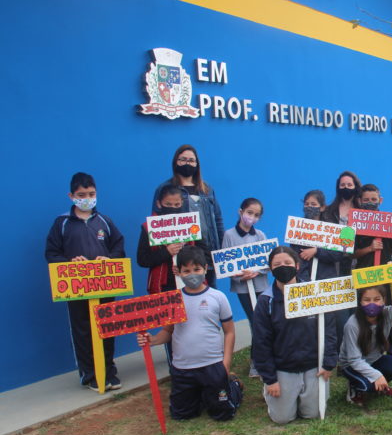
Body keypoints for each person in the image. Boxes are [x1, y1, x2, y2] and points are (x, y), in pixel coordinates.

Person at [137, 245, 243, 421]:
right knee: (181, 415)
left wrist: (226, 362)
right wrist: (152, 340)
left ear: (205, 269)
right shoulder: (174, 299)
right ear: (178, 271)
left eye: (196, 269)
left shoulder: (217, 297)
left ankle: (234, 385)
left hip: (213, 365)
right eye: (186, 271)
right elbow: (167, 331)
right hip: (182, 368)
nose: (192, 274)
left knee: (223, 414)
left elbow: (229, 331)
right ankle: (201, 394)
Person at [45, 172, 125, 391]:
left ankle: (109, 372)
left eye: (91, 194)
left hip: (104, 285)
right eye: (81, 194)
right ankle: (90, 374)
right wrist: (70, 263)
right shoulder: (62, 223)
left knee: (107, 328)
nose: (87, 198)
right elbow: (52, 253)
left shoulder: (104, 222)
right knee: (83, 331)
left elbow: (118, 246)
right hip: (77, 288)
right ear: (71, 196)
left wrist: (108, 258)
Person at [252, 246, 337, 425]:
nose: (283, 266)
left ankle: (303, 394)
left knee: (313, 414)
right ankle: (274, 393)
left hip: (312, 366)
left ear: (297, 266)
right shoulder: (265, 301)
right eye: (277, 264)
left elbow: (328, 329)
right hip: (283, 368)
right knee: (282, 419)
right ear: (271, 269)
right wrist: (270, 379)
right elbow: (261, 342)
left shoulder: (314, 292)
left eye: (287, 263)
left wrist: (328, 363)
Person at [340, 285, 392, 406]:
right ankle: (354, 387)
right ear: (360, 302)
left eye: (377, 299)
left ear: (384, 300)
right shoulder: (352, 324)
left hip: (374, 360)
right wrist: (377, 375)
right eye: (367, 300)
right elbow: (354, 360)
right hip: (351, 365)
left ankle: (380, 385)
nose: (372, 304)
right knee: (368, 386)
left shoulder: (387, 313)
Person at [221, 197, 269, 378]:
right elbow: (224, 263)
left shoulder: (260, 236)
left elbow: (267, 262)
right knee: (255, 322)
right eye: (250, 213)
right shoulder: (229, 235)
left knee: (263, 321)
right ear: (240, 212)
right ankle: (256, 364)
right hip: (242, 288)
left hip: (261, 286)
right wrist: (240, 274)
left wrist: (257, 271)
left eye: (257, 215)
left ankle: (264, 358)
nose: (252, 218)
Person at [152, 144, 225, 258]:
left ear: (197, 164)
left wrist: (222, 247)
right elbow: (157, 222)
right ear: (176, 162)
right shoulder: (165, 188)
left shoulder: (207, 189)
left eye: (191, 160)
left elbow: (218, 220)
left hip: (210, 252)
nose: (187, 163)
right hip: (182, 254)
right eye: (183, 160)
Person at [137, 184, 211, 295]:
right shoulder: (149, 227)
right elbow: (142, 259)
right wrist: (166, 252)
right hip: (162, 286)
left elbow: (206, 255)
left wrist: (186, 265)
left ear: (182, 203)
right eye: (168, 204)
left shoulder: (191, 225)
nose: (172, 208)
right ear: (159, 204)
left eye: (177, 205)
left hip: (191, 282)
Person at [320, 171, 362, 347]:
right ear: (338, 187)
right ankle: (341, 349)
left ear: (355, 187)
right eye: (343, 185)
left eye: (349, 185)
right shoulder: (328, 212)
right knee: (340, 311)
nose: (346, 188)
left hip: (358, 263)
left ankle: (359, 347)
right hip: (335, 265)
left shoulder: (363, 211)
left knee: (358, 308)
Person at [293, 189, 344, 282]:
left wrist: (316, 251)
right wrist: (304, 280)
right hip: (304, 280)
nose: (309, 207)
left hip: (327, 279)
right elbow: (295, 255)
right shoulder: (297, 228)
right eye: (306, 204)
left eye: (313, 204)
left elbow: (338, 254)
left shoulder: (331, 229)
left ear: (322, 207)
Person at [353, 183, 392, 269]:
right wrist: (370, 248)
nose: (370, 202)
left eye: (374, 199)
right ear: (359, 201)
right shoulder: (353, 224)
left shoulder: (390, 221)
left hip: (386, 272)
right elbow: (351, 254)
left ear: (380, 200)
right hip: (364, 273)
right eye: (366, 200)